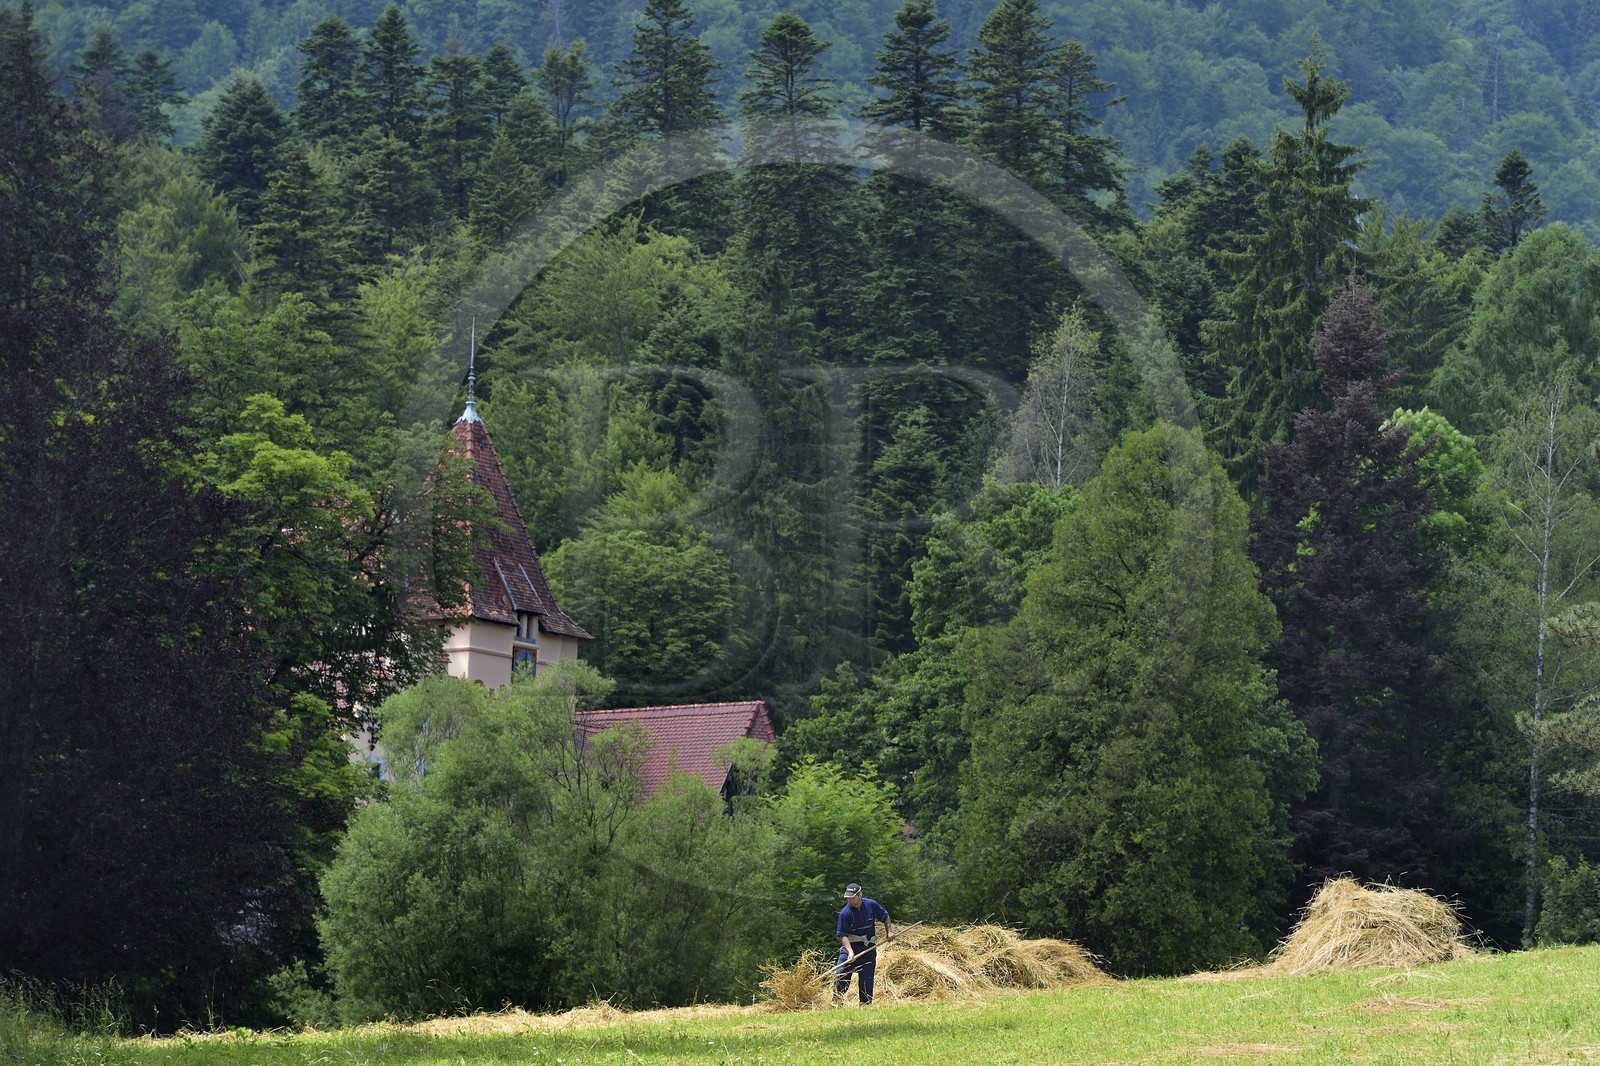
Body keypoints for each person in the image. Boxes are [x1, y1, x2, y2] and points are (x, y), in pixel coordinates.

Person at [835, 882, 893, 1004]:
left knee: (867, 980)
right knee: (841, 975)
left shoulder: (871, 905)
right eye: (848, 898)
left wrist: (889, 932)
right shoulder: (845, 913)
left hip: (868, 948)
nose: (850, 900)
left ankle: (865, 1006)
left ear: (860, 895)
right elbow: (843, 935)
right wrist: (850, 952)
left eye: (852, 897)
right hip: (851, 948)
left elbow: (885, 916)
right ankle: (836, 1003)